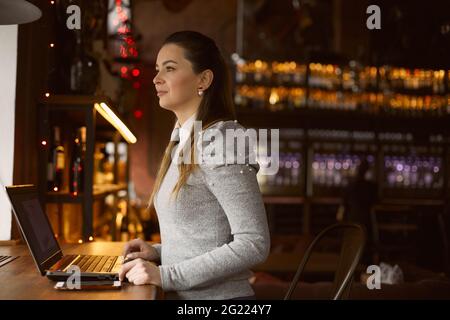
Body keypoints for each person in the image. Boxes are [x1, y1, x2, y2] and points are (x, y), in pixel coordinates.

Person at [118, 31, 270, 300]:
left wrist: (167, 275)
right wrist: (158, 252)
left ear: (204, 79)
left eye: (170, 68)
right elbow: (206, 237)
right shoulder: (185, 139)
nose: (156, 79)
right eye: (157, 69)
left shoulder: (221, 141)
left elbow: (254, 243)